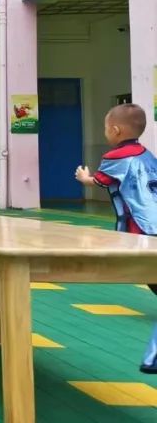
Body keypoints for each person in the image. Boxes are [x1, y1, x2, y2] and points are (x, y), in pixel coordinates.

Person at [75, 102, 157, 371]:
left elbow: (99, 182)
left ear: (115, 130)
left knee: (149, 271)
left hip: (141, 225)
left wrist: (84, 177)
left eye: (105, 128)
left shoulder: (116, 157)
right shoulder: (148, 155)